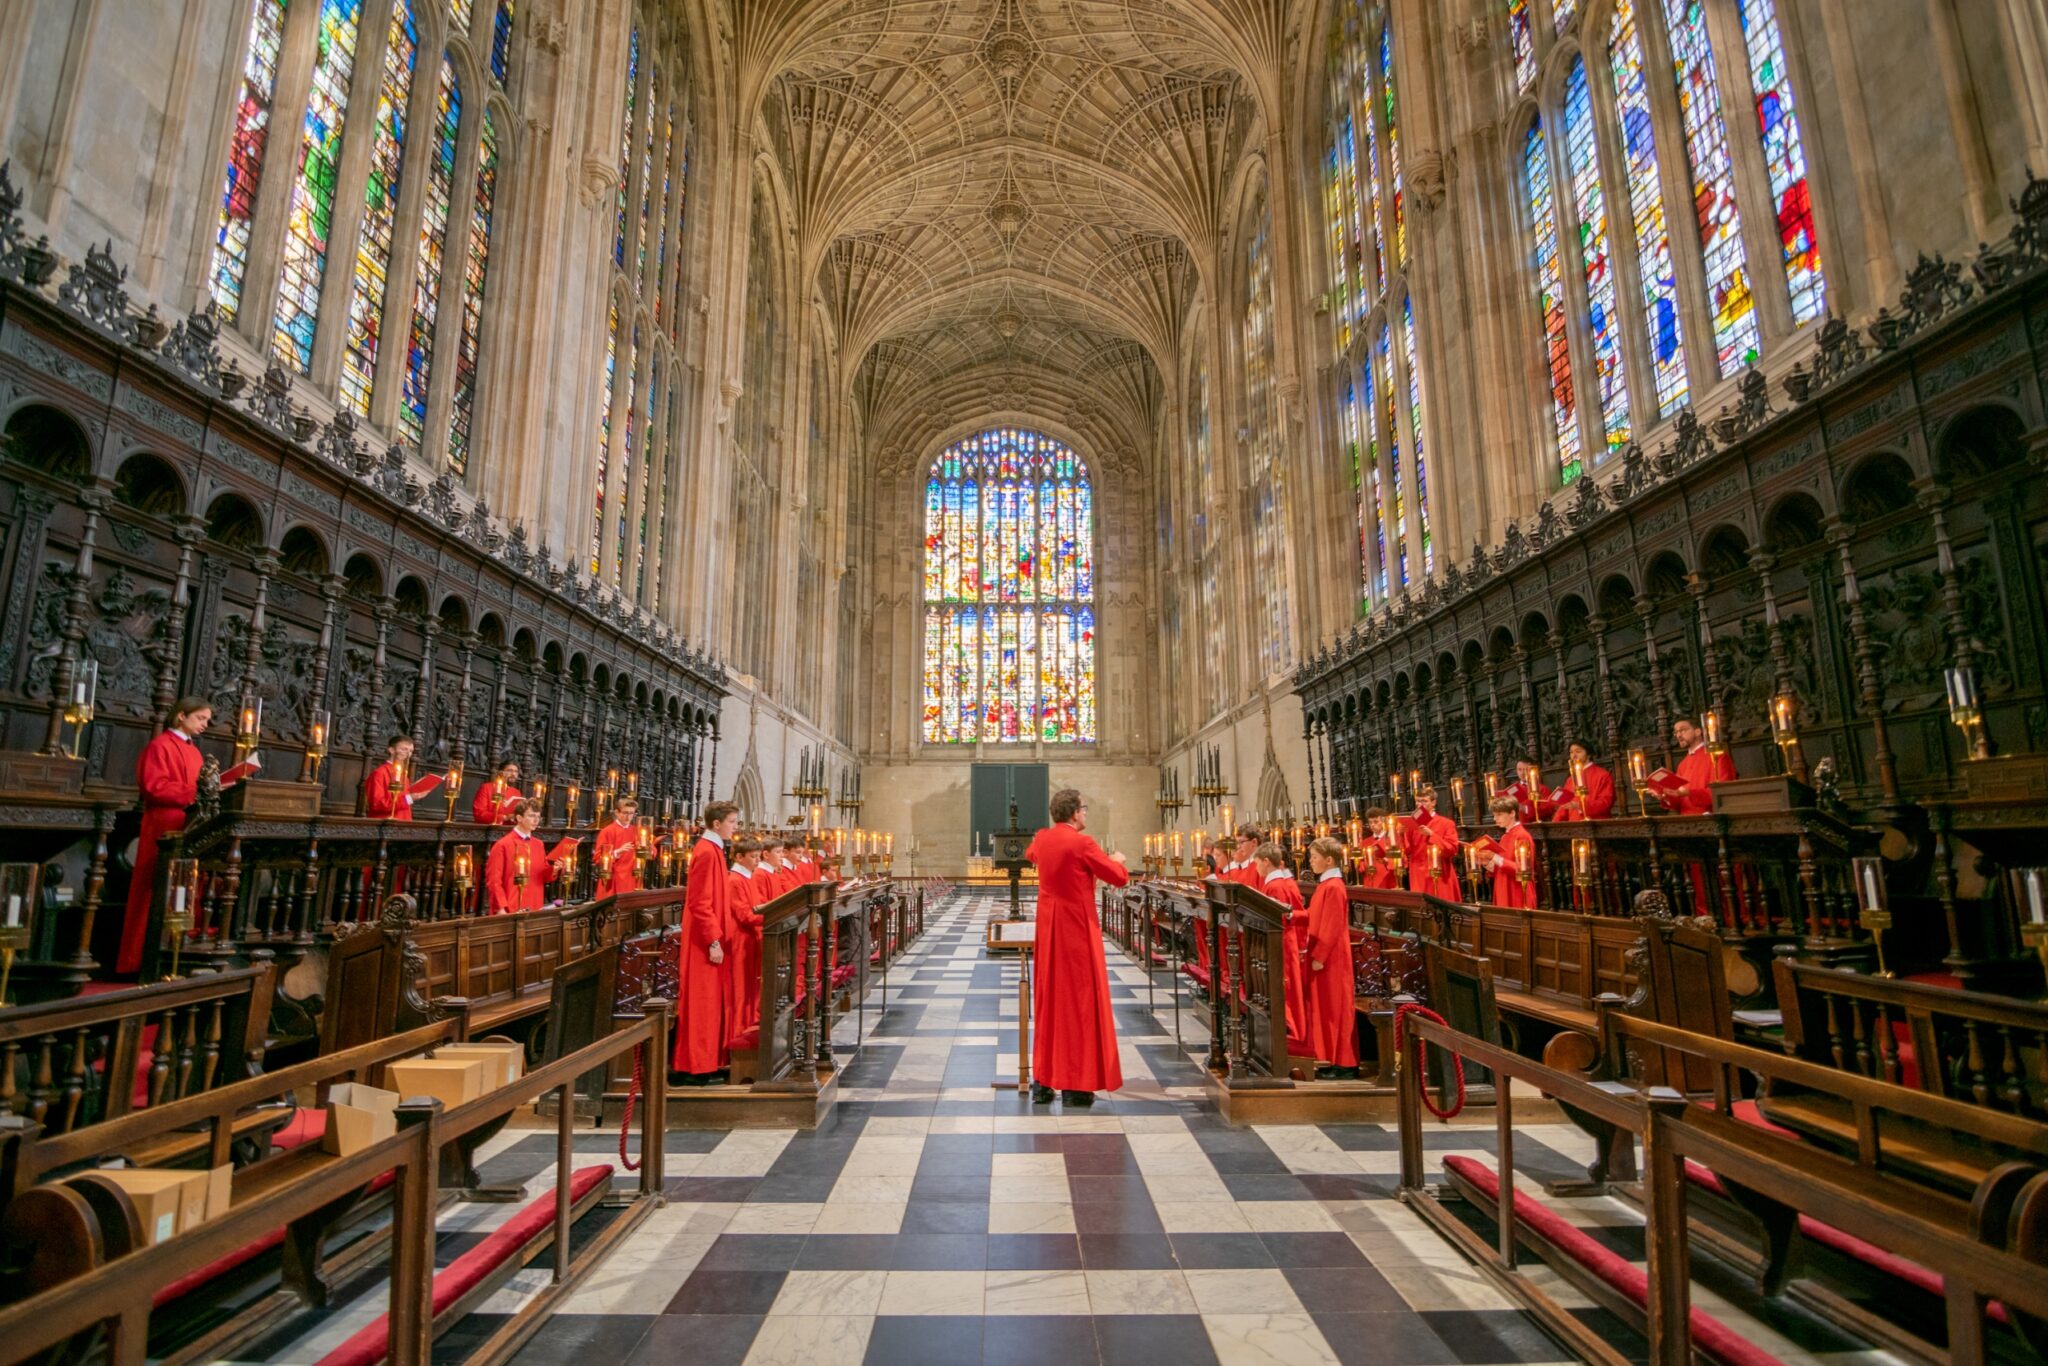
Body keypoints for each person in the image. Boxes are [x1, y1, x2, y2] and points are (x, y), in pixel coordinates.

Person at [1026, 788, 1129, 1106]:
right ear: (1073, 813)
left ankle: (1043, 1081)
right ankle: (1076, 1085)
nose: (1086, 814)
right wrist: (1117, 860)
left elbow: (1032, 854)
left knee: (1050, 1001)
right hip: (1077, 931)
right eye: (1084, 809)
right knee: (1080, 1003)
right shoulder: (1082, 842)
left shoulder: (1042, 838)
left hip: (1049, 928)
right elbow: (1119, 878)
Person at [120, 697, 213, 973]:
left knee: (186, 889)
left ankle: (176, 956)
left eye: (207, 720)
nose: (205, 725)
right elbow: (153, 786)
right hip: (164, 825)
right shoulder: (159, 746)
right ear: (181, 716)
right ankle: (139, 961)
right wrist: (195, 793)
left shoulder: (194, 752)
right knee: (155, 888)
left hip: (191, 826)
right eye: (201, 719)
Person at [674, 800, 739, 1085]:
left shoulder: (714, 850)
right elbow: (700, 902)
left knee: (712, 1003)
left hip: (713, 937)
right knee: (702, 1003)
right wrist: (713, 939)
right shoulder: (705, 852)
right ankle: (695, 1066)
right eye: (732, 822)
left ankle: (709, 1061)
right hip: (703, 941)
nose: (735, 828)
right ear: (716, 823)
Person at [1304, 837, 1361, 1078]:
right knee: (1324, 1009)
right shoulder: (1325, 885)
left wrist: (1320, 955)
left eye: (1315, 858)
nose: (1311, 862)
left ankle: (1344, 1062)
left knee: (1335, 1008)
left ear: (1329, 860)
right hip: (1323, 956)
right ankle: (1327, 1057)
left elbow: (1332, 926)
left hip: (1332, 959)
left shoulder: (1334, 887)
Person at [1252, 841, 1308, 1051]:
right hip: (1283, 943)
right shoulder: (1275, 883)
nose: (1256, 868)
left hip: (1283, 944)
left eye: (1257, 863)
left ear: (1266, 862)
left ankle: (1293, 1034)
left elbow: (1283, 917)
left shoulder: (1276, 886)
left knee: (1288, 990)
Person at [484, 800, 558, 913]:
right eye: (531, 816)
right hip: (510, 907)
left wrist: (555, 869)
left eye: (538, 816)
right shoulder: (502, 845)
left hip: (534, 905)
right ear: (519, 818)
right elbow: (494, 881)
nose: (536, 820)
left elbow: (541, 876)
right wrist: (501, 908)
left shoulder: (538, 844)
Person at [725, 841, 765, 1031]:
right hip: (741, 939)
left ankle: (751, 1021)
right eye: (753, 857)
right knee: (742, 987)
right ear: (739, 857)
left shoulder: (748, 877)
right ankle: (740, 1028)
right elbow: (744, 914)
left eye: (758, 856)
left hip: (752, 937)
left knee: (753, 983)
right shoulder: (735, 880)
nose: (757, 861)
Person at [1662, 717, 1736, 815]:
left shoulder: (1718, 757)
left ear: (1697, 732)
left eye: (1682, 730)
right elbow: (1679, 802)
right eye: (1676, 732)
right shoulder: (1682, 765)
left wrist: (1689, 793)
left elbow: (1724, 792)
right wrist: (1665, 795)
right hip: (1685, 822)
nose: (1678, 735)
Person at [1404, 784, 1462, 900]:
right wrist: (1400, 833)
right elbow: (1406, 849)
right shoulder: (1412, 823)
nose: (1420, 805)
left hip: (1440, 873)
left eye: (1424, 801)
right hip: (1418, 874)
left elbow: (1452, 849)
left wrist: (1432, 835)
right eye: (1417, 801)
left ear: (1433, 803)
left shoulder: (1446, 823)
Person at [1485, 793, 1537, 910]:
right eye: (1494, 815)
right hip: (1503, 886)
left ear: (1512, 813)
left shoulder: (1522, 835)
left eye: (1499, 815)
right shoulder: (1505, 836)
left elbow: (1523, 869)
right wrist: (1486, 862)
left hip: (1517, 890)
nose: (1495, 819)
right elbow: (1501, 867)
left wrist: (1494, 857)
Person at [593, 795, 642, 895]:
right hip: (613, 878)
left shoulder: (637, 831)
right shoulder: (607, 831)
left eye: (631, 813)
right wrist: (618, 851)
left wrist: (647, 848)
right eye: (625, 813)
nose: (628, 817)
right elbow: (598, 858)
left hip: (632, 877)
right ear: (617, 812)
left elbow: (651, 851)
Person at [1554, 742, 1616, 821]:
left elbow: (1606, 802)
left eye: (1578, 751)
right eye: (1571, 752)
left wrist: (1580, 806)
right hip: (1573, 826)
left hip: (1596, 823)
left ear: (1588, 754)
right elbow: (1564, 806)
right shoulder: (1571, 779)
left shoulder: (1602, 775)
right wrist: (1555, 822)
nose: (1574, 755)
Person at [364, 735, 418, 820]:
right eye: (404, 749)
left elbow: (404, 804)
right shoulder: (379, 773)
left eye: (411, 751)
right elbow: (377, 804)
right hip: (385, 823)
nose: (408, 754)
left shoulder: (403, 775)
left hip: (404, 824)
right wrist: (409, 798)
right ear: (392, 750)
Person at [1361, 808, 1402, 889]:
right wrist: (1364, 864)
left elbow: (1401, 859)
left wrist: (1387, 860)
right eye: (1370, 822)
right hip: (1370, 881)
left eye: (1376, 822)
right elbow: (1361, 863)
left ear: (1384, 822)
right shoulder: (1365, 842)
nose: (1372, 825)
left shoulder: (1392, 839)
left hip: (1387, 880)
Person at [473, 759, 523, 824]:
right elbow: (479, 814)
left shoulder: (516, 792)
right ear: (501, 772)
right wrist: (503, 817)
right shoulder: (486, 788)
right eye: (509, 770)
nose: (513, 774)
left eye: (516, 771)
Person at [1509, 758, 1557, 824]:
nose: (1522, 773)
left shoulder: (1542, 789)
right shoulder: (1512, 789)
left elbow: (1548, 810)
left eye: (1526, 770)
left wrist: (1525, 809)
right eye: (1519, 770)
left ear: (1532, 771)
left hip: (1535, 826)